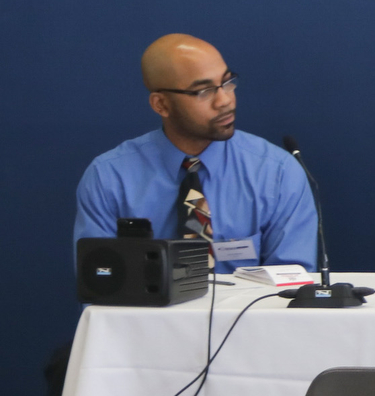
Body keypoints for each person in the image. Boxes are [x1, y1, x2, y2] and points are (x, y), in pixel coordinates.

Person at [75, 33, 317, 273]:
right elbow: (100, 282)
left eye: (227, 82)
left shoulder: (278, 173)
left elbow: (291, 282)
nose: (224, 101)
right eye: (203, 91)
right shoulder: (109, 178)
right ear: (161, 104)